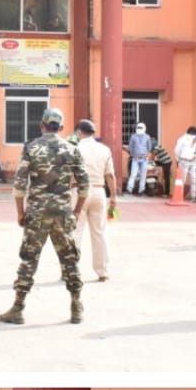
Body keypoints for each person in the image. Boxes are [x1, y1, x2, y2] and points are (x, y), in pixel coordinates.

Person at [0, 107, 89, 326]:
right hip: (63, 212)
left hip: (37, 212)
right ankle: (76, 306)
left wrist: (21, 213)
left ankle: (18, 308)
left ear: (42, 125)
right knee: (69, 258)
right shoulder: (72, 149)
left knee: (29, 259)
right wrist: (76, 212)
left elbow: (19, 185)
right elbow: (85, 186)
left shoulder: (31, 148)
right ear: (63, 127)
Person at [74, 118, 117, 282]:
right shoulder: (104, 149)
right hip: (99, 191)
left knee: (75, 231)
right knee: (99, 233)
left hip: (79, 192)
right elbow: (110, 175)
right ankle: (103, 271)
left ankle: (71, 270)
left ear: (79, 133)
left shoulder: (75, 149)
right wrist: (113, 197)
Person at [174, 126, 196, 202]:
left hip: (193, 162)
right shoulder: (182, 139)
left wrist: (194, 156)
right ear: (191, 133)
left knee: (194, 179)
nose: (195, 135)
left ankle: (193, 196)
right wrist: (178, 160)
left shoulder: (194, 140)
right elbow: (176, 150)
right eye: (195, 134)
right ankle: (180, 195)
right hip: (184, 161)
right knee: (183, 180)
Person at [126, 122, 152, 195]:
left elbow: (149, 147)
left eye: (141, 128)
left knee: (143, 175)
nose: (139, 129)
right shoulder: (133, 136)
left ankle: (141, 190)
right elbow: (131, 147)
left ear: (144, 128)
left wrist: (147, 154)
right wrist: (132, 155)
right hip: (135, 159)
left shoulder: (147, 137)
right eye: (138, 128)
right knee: (133, 174)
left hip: (144, 159)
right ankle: (129, 189)